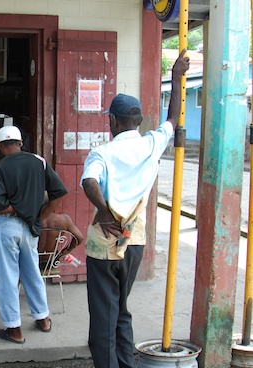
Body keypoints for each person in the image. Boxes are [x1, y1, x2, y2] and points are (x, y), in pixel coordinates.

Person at [80, 50, 190, 368]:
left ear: (113, 121)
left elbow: (89, 183)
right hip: (134, 241)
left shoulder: (103, 152)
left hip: (104, 242)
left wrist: (104, 210)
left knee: (103, 317)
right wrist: (176, 76)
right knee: (121, 309)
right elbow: (172, 119)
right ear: (138, 121)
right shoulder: (152, 143)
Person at [0, 125, 68, 344]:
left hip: (8, 226)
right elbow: (58, 193)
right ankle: (43, 318)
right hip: (31, 227)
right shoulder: (39, 161)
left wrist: (20, 207)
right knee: (32, 272)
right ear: (20, 142)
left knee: (7, 277)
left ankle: (14, 329)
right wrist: (42, 214)